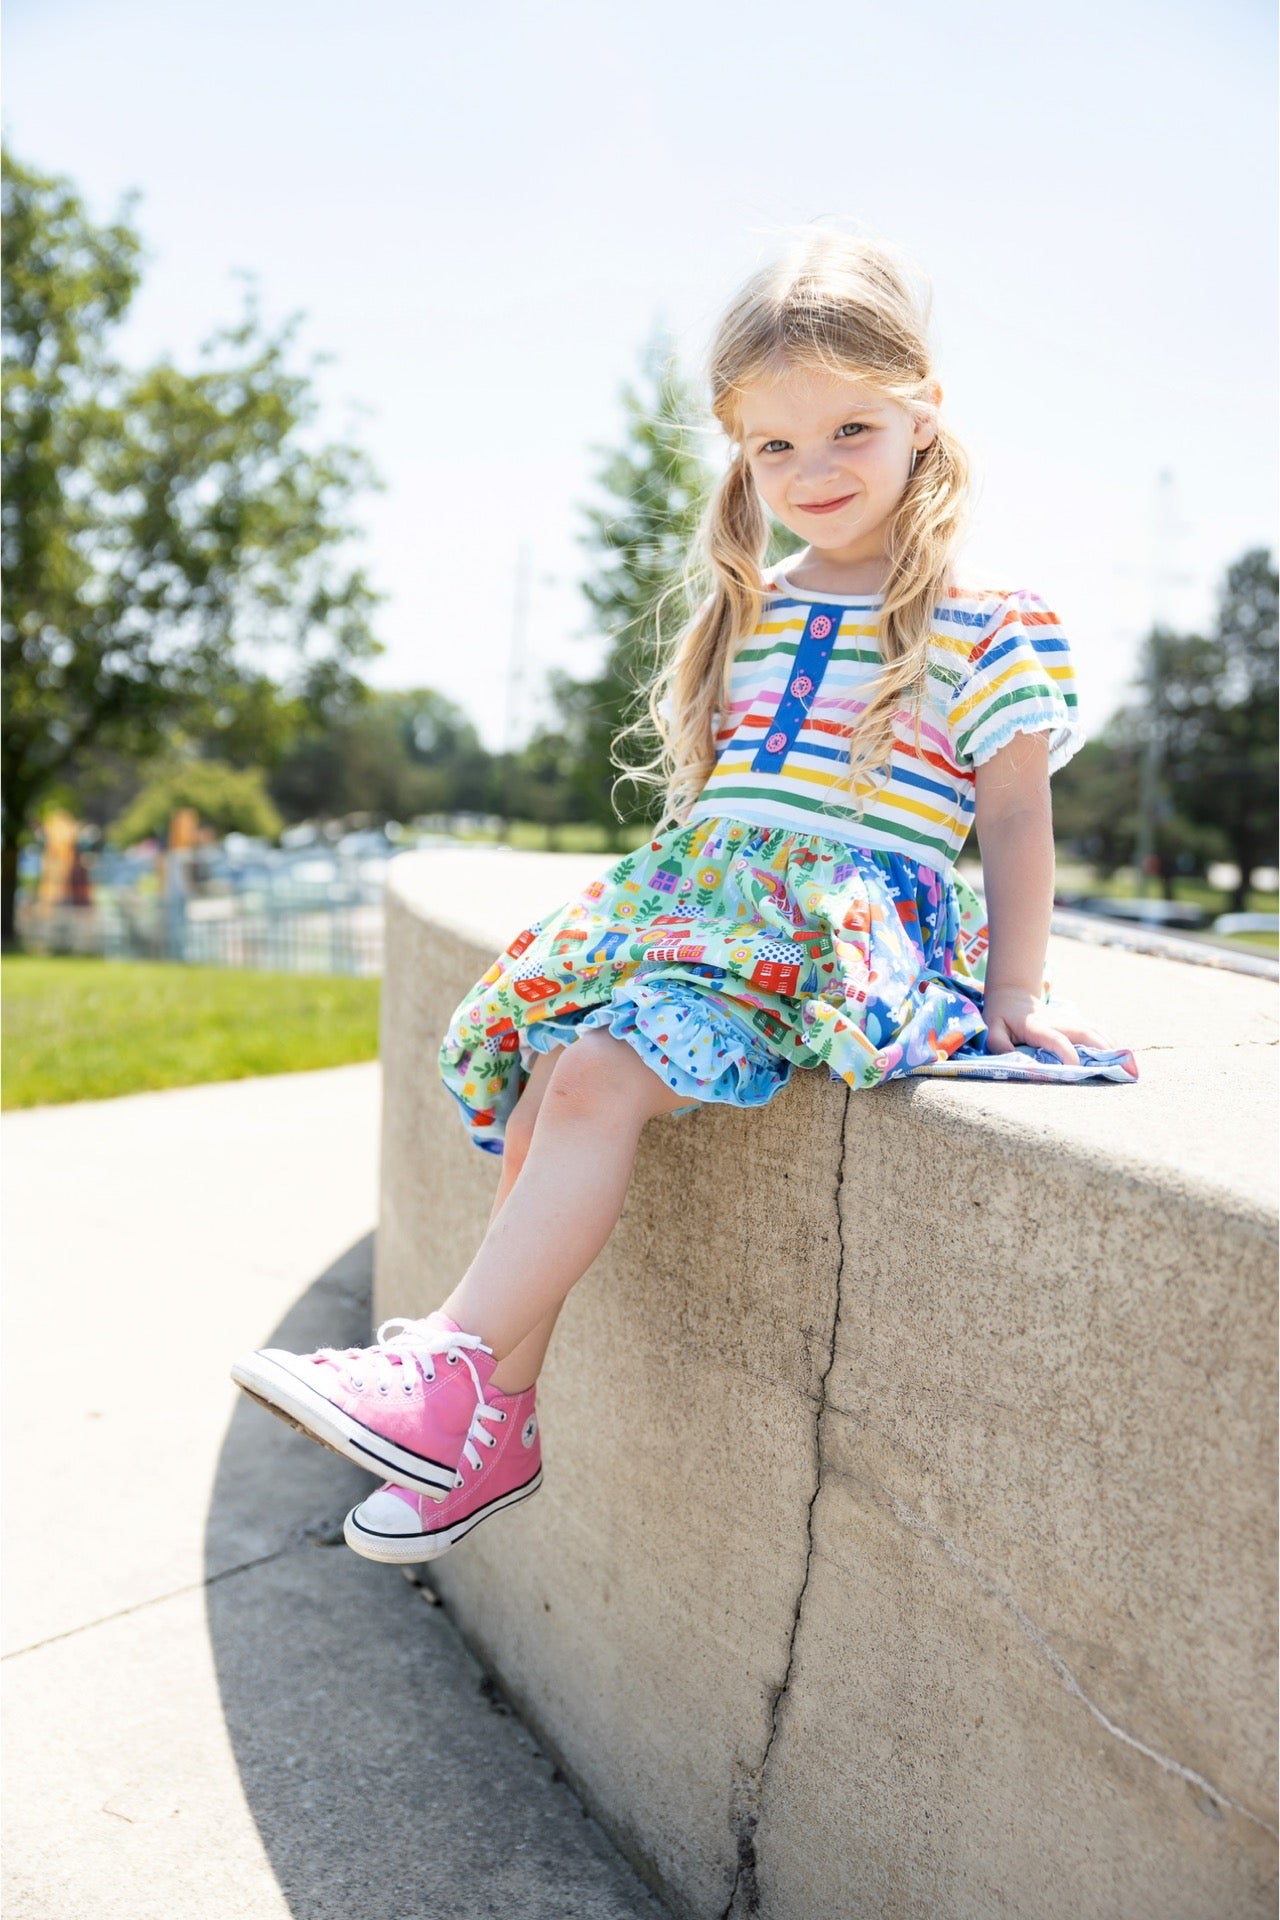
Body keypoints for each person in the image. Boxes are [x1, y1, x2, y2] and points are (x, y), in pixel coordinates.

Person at [231, 229, 1137, 1565]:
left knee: (595, 1081)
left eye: (847, 430)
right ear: (738, 450)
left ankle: (450, 1368)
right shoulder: (748, 606)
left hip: (825, 933)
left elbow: (1013, 813)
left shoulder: (977, 617)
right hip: (708, 911)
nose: (812, 473)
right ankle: (488, 1432)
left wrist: (1014, 989)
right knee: (549, 1094)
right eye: (775, 448)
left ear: (922, 412)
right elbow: (717, 818)